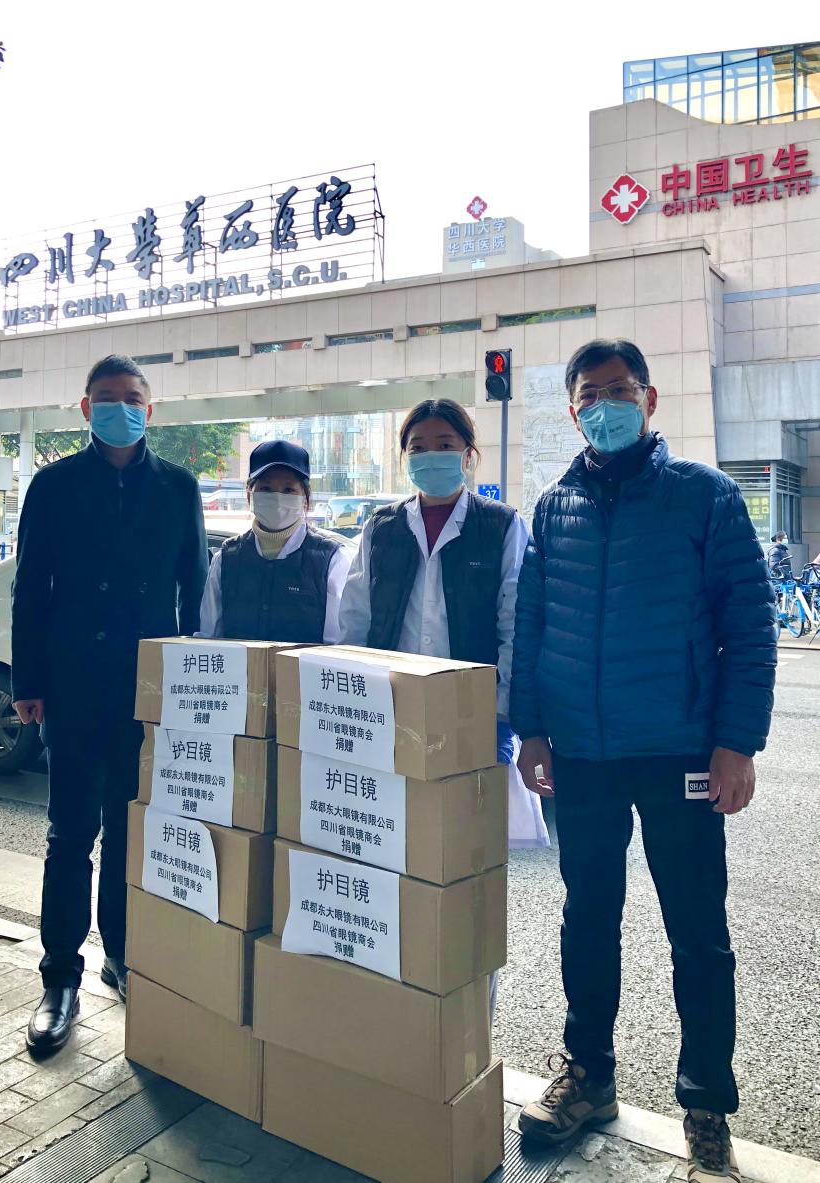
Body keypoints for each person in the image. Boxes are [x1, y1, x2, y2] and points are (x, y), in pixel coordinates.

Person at [510, 339, 776, 1183]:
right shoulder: (554, 506)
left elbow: (749, 625)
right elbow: (531, 626)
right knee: (586, 918)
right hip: (581, 754)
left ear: (649, 400)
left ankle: (706, 1109)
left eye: (619, 390)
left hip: (678, 751)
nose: (605, 407)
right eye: (589, 396)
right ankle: (587, 1076)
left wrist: (736, 743)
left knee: (696, 933)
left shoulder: (704, 495)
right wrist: (531, 729)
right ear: (572, 411)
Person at [12, 354, 208, 1055]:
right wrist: (28, 682)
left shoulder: (179, 486)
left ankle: (122, 957)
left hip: (146, 689)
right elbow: (31, 586)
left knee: (130, 834)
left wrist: (192, 690)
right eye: (105, 397)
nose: (118, 407)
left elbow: (194, 591)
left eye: (130, 397)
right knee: (69, 835)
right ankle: (58, 977)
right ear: (85, 407)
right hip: (71, 683)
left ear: (149, 410)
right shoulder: (54, 484)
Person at [339, 397, 547, 1015]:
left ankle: (466, 1014)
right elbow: (352, 623)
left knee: (466, 874)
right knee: (389, 863)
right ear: (404, 456)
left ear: (469, 454)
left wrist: (501, 716)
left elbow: (514, 623)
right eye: (419, 447)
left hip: (472, 726)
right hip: (388, 723)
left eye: (444, 445)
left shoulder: (500, 526)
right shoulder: (380, 529)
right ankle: (395, 1006)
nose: (431, 456)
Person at [198, 439, 351, 642]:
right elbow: (209, 637)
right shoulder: (226, 559)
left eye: (288, 490)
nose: (277, 498)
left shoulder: (332, 560)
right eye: (266, 489)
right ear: (249, 494)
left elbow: (338, 645)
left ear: (305, 497)